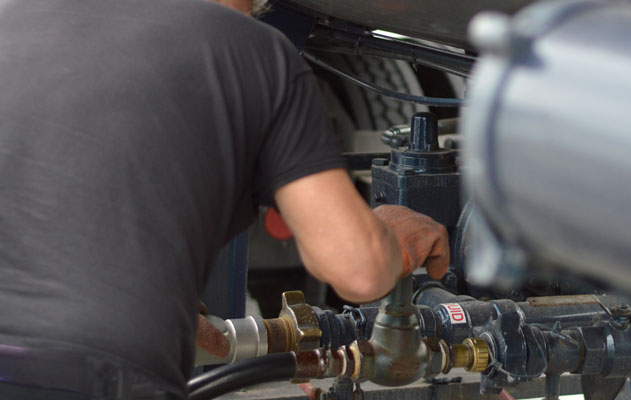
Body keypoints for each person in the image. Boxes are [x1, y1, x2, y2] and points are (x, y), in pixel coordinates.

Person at [0, 0, 449, 398]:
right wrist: (386, 237)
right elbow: (357, 268)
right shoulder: (247, 50)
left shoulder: (13, 20)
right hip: (85, 375)